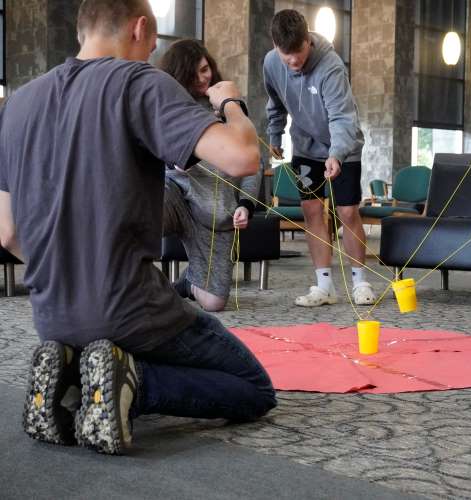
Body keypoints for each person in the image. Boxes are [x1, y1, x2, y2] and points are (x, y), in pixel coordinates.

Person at [0, 0, 276, 455]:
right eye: (151, 43)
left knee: (105, 347)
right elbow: (243, 157)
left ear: (81, 31)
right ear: (141, 28)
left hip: (51, 316)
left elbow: (8, 234)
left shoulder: (18, 104)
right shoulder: (138, 81)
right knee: (252, 387)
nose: (151, 53)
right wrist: (229, 101)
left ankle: (73, 375)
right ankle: (136, 386)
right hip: (128, 310)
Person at [263, 9, 376, 307]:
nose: (294, 60)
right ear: (276, 46)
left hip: (345, 145)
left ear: (308, 40)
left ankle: (360, 282)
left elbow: (342, 118)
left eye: (299, 51)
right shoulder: (271, 63)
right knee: (312, 210)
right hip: (305, 147)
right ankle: (324, 286)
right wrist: (275, 136)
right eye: (286, 54)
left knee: (348, 212)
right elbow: (275, 103)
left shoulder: (331, 66)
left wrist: (336, 155)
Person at [159, 39, 261, 312]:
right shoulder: (170, 108)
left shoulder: (230, 108)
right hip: (176, 198)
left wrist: (245, 204)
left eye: (205, 69)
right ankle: (134, 286)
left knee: (214, 302)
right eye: (195, 72)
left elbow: (253, 162)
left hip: (214, 216)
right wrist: (172, 165)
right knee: (144, 217)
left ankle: (189, 283)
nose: (203, 77)